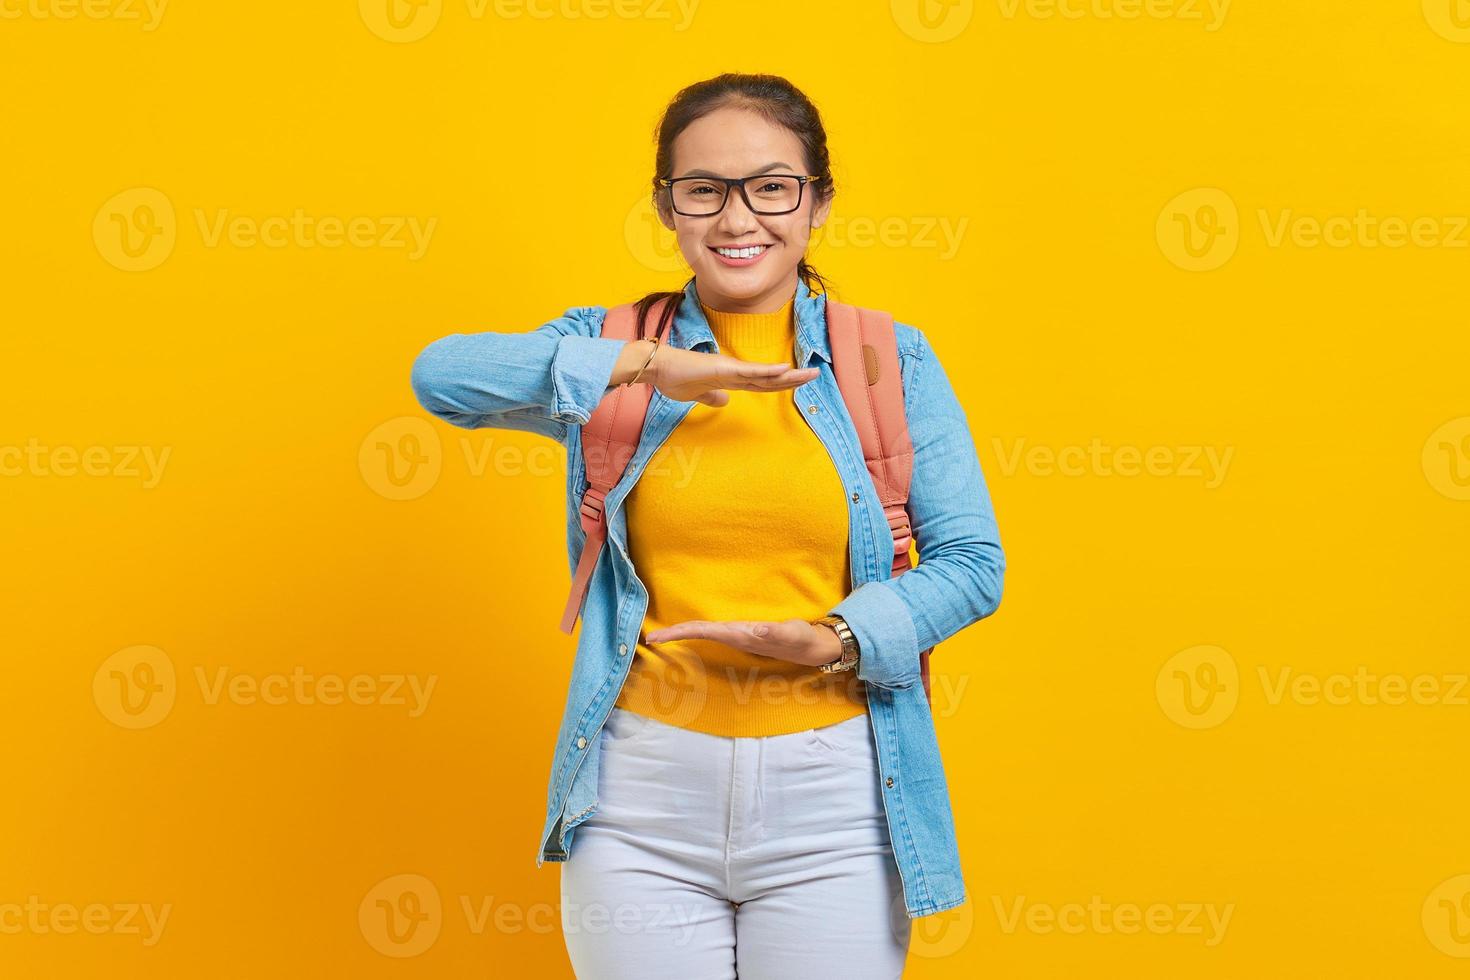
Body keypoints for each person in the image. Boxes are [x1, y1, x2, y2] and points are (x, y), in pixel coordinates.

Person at [410, 72, 1005, 979]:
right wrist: (646, 367)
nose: (739, 220)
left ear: (819, 205)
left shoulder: (887, 359)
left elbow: (972, 564)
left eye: (772, 187)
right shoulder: (615, 345)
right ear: (668, 208)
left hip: (836, 797)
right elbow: (442, 377)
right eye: (705, 191)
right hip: (639, 803)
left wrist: (834, 638)